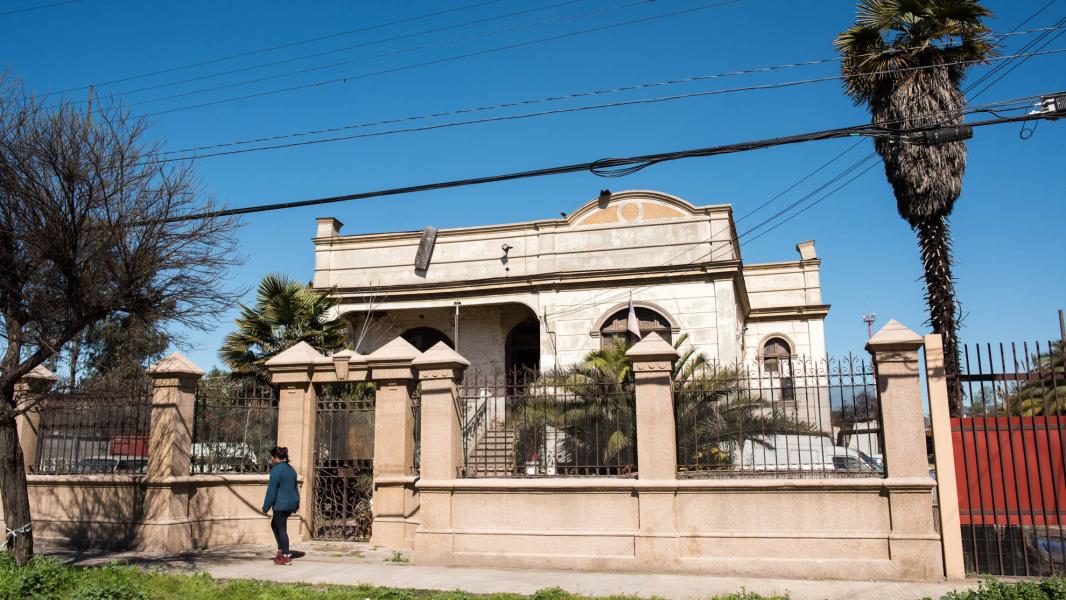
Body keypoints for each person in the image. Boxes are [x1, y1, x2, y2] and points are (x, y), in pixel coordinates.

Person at [262, 446, 299, 565]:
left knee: (281, 528)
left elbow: (271, 491)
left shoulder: (276, 470)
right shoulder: (291, 469)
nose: (272, 459)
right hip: (291, 504)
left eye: (273, 457)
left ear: (277, 457)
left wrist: (265, 507)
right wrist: (296, 504)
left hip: (281, 505)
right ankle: (281, 550)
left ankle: (286, 556)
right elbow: (295, 488)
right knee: (275, 524)